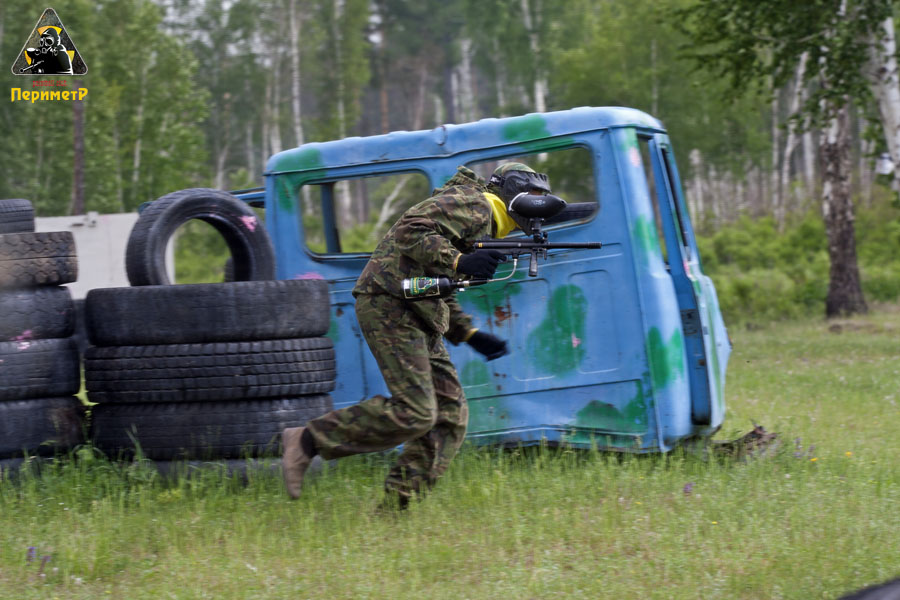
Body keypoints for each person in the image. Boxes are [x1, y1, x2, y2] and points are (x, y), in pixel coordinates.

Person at [282, 161, 553, 508]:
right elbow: (410, 231)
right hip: (389, 303)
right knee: (417, 412)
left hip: (417, 309)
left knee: (449, 416)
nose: (537, 204)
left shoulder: (482, 218)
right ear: (513, 191)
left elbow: (437, 280)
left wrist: (468, 333)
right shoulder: (476, 205)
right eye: (534, 195)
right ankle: (307, 440)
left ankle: (395, 508)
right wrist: (459, 261)